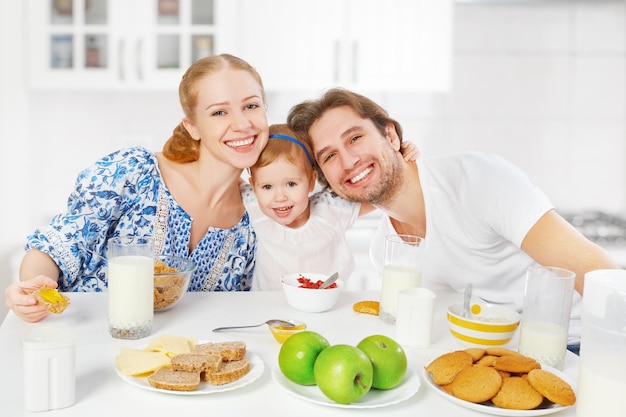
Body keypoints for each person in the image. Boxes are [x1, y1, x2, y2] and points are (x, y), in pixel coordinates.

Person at [287, 87, 621, 350]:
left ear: (390, 136)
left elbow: (604, 278)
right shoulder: (387, 251)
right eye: (329, 156)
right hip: (501, 355)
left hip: (580, 344)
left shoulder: (478, 181)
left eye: (355, 138)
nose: (348, 161)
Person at [5, 54, 269, 323]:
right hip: (85, 346)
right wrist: (35, 289)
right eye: (219, 112)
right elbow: (53, 248)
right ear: (193, 127)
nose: (242, 124)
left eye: (251, 106)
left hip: (172, 361)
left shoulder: (256, 217)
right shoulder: (133, 171)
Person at [241, 123, 419, 290]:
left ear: (311, 181)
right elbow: (218, 177)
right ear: (254, 186)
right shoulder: (252, 203)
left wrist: (401, 159)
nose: (279, 197)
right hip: (267, 314)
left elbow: (382, 191)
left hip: (327, 310)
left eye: (291, 184)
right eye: (267, 187)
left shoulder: (332, 208)